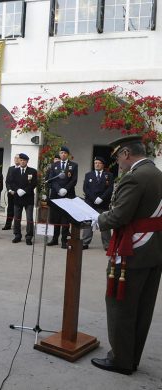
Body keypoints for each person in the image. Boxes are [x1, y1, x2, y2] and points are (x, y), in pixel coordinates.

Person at [91, 135, 162, 375]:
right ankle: (132, 358)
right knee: (143, 308)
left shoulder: (134, 177)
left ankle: (121, 360)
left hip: (133, 250)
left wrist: (95, 220)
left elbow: (119, 216)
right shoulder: (158, 174)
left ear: (126, 154)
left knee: (121, 305)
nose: (118, 163)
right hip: (154, 251)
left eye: (118, 158)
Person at [47, 146, 78, 249]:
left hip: (68, 195)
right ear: (59, 154)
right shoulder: (54, 165)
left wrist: (65, 189)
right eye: (61, 153)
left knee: (65, 219)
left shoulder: (73, 165)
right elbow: (52, 179)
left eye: (65, 153)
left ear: (67, 154)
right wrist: (59, 189)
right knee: (56, 218)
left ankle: (64, 240)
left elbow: (74, 180)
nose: (63, 154)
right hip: (56, 195)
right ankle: (55, 239)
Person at [82, 156, 114, 250]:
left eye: (99, 163)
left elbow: (110, 189)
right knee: (88, 223)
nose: (97, 164)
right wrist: (94, 198)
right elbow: (85, 188)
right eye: (95, 163)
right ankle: (85, 242)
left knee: (104, 224)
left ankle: (107, 244)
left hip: (103, 203)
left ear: (103, 165)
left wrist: (101, 198)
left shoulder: (109, 175)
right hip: (90, 203)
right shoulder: (89, 174)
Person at [8, 153, 37, 245]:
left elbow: (34, 183)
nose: (22, 162)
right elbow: (11, 182)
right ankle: (17, 235)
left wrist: (25, 190)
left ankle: (29, 237)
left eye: (24, 160)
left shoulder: (32, 171)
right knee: (17, 218)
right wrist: (17, 190)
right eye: (21, 160)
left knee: (29, 218)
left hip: (28, 198)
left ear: (27, 161)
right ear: (19, 161)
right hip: (17, 197)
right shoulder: (14, 171)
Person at [3, 154, 20, 230]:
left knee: (18, 210)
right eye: (15, 158)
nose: (16, 159)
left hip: (19, 193)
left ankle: (17, 226)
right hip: (10, 193)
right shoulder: (10, 168)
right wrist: (9, 190)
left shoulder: (22, 169)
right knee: (10, 209)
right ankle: (8, 225)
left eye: (18, 158)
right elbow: (7, 181)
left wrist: (16, 191)